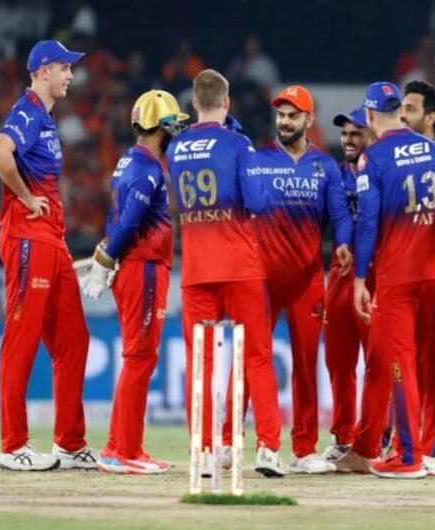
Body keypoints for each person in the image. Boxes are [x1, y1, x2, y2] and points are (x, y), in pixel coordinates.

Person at [166, 69, 286, 477]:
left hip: (196, 268)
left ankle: (202, 452)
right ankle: (267, 448)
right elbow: (257, 202)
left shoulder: (176, 147)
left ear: (194, 103)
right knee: (257, 357)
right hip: (239, 266)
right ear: (227, 102)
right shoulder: (239, 144)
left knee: (199, 363)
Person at [0, 39, 97, 471]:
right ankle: (13, 445)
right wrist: (26, 197)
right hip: (27, 238)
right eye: (65, 67)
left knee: (74, 340)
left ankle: (69, 444)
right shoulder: (29, 110)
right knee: (21, 340)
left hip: (52, 241)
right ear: (44, 70)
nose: (71, 75)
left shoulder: (46, 119)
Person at [336, 81, 435, 479]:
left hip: (397, 277)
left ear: (370, 115)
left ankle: (407, 454)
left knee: (399, 363)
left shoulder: (374, 157)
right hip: (433, 273)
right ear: (399, 112)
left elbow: (368, 222)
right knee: (429, 360)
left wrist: (359, 279)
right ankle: (428, 450)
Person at [79, 90, 188, 474]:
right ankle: (123, 451)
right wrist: (109, 255)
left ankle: (122, 446)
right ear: (160, 126)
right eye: (173, 124)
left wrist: (108, 253)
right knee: (140, 358)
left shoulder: (129, 160)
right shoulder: (148, 168)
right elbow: (129, 220)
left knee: (137, 357)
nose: (177, 131)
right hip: (143, 269)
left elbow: (120, 220)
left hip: (134, 267)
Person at [248, 85, 353, 473]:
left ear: (309, 119)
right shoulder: (256, 160)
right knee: (251, 360)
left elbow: (340, 215)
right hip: (260, 280)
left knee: (307, 365)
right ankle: (235, 443)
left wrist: (344, 243)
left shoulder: (325, 166)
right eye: (281, 115)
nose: (285, 121)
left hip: (307, 280)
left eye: (293, 115)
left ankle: (304, 449)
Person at [399, 79, 435, 476]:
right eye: (401, 108)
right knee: (397, 358)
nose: (403, 115)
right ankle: (399, 443)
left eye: (411, 109)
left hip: (433, 270)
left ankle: (432, 450)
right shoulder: (392, 157)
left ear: (431, 117)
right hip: (398, 271)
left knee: (430, 357)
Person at [321, 108, 374, 462]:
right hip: (341, 269)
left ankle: (379, 433)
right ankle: (343, 436)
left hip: (377, 270)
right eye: (344, 134)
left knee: (378, 359)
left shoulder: (381, 171)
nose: (348, 140)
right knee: (338, 359)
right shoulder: (333, 174)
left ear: (371, 136)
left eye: (356, 133)